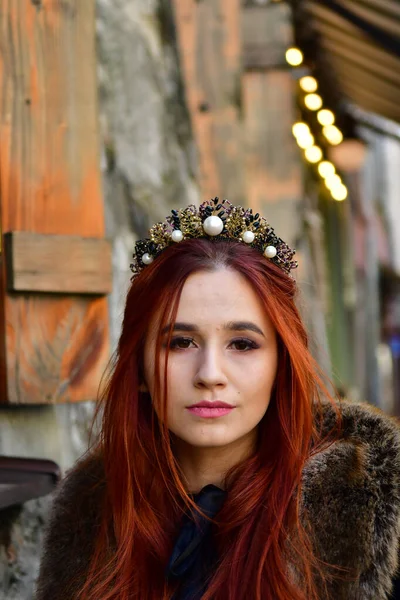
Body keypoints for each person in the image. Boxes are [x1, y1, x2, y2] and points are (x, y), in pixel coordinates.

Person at [35, 198, 400, 600]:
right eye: (181, 342)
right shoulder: (89, 516)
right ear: (138, 368)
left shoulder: (370, 505)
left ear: (282, 365)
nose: (210, 374)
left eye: (242, 344)